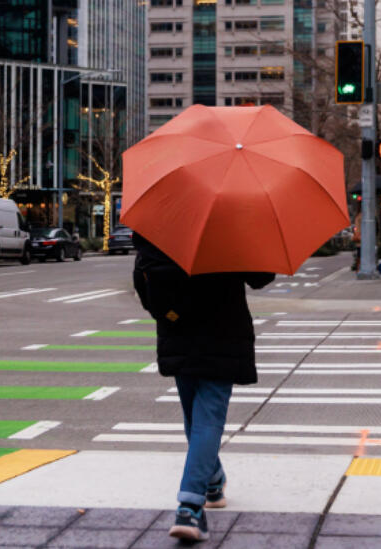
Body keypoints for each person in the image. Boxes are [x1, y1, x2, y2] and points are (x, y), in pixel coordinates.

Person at [132, 232, 275, 542]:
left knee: (196, 420)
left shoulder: (161, 224)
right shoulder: (232, 224)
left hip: (177, 332)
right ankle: (190, 507)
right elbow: (262, 277)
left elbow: (142, 284)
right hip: (223, 333)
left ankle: (212, 483)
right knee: (206, 420)